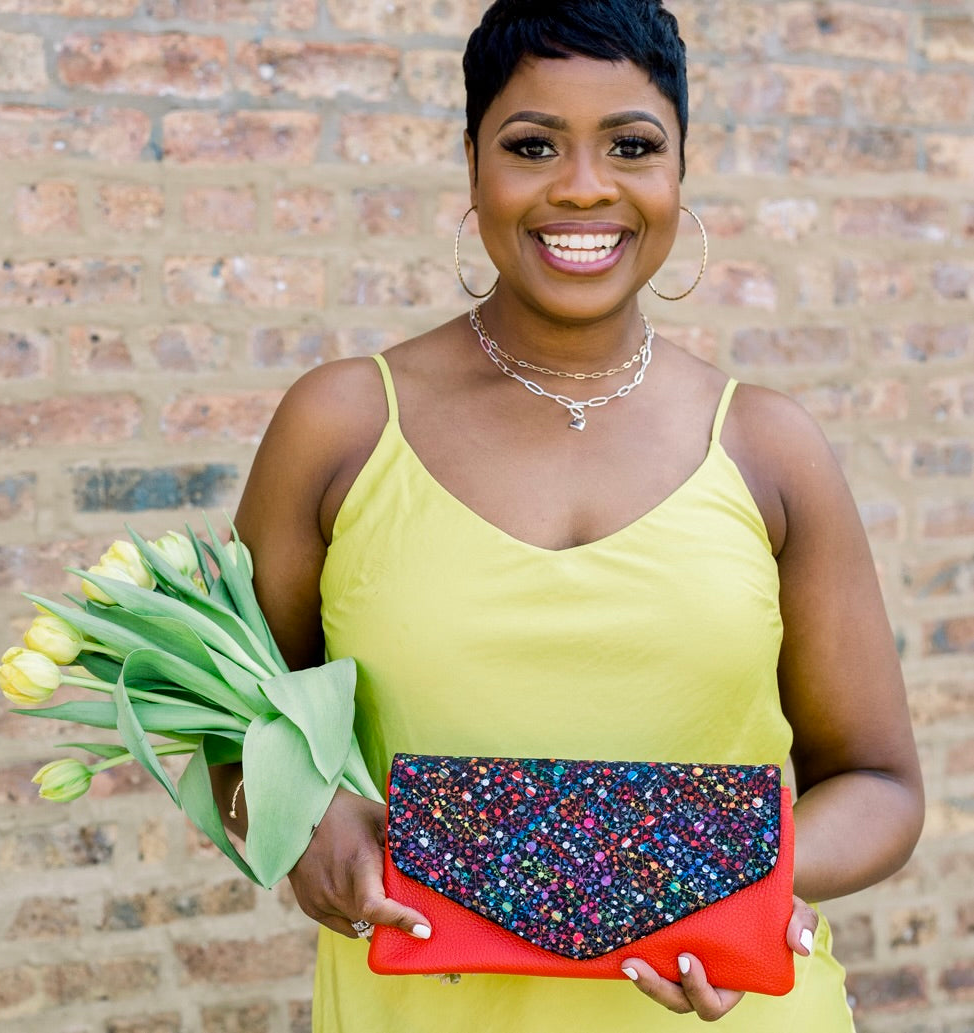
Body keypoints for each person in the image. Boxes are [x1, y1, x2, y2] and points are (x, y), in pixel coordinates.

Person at [216, 1, 924, 1029]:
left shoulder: (767, 446)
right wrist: (302, 821)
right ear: (472, 166)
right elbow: (224, 720)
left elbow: (877, 782)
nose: (584, 186)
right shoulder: (342, 425)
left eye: (631, 146)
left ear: (680, 169)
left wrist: (730, 879)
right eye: (532, 145)